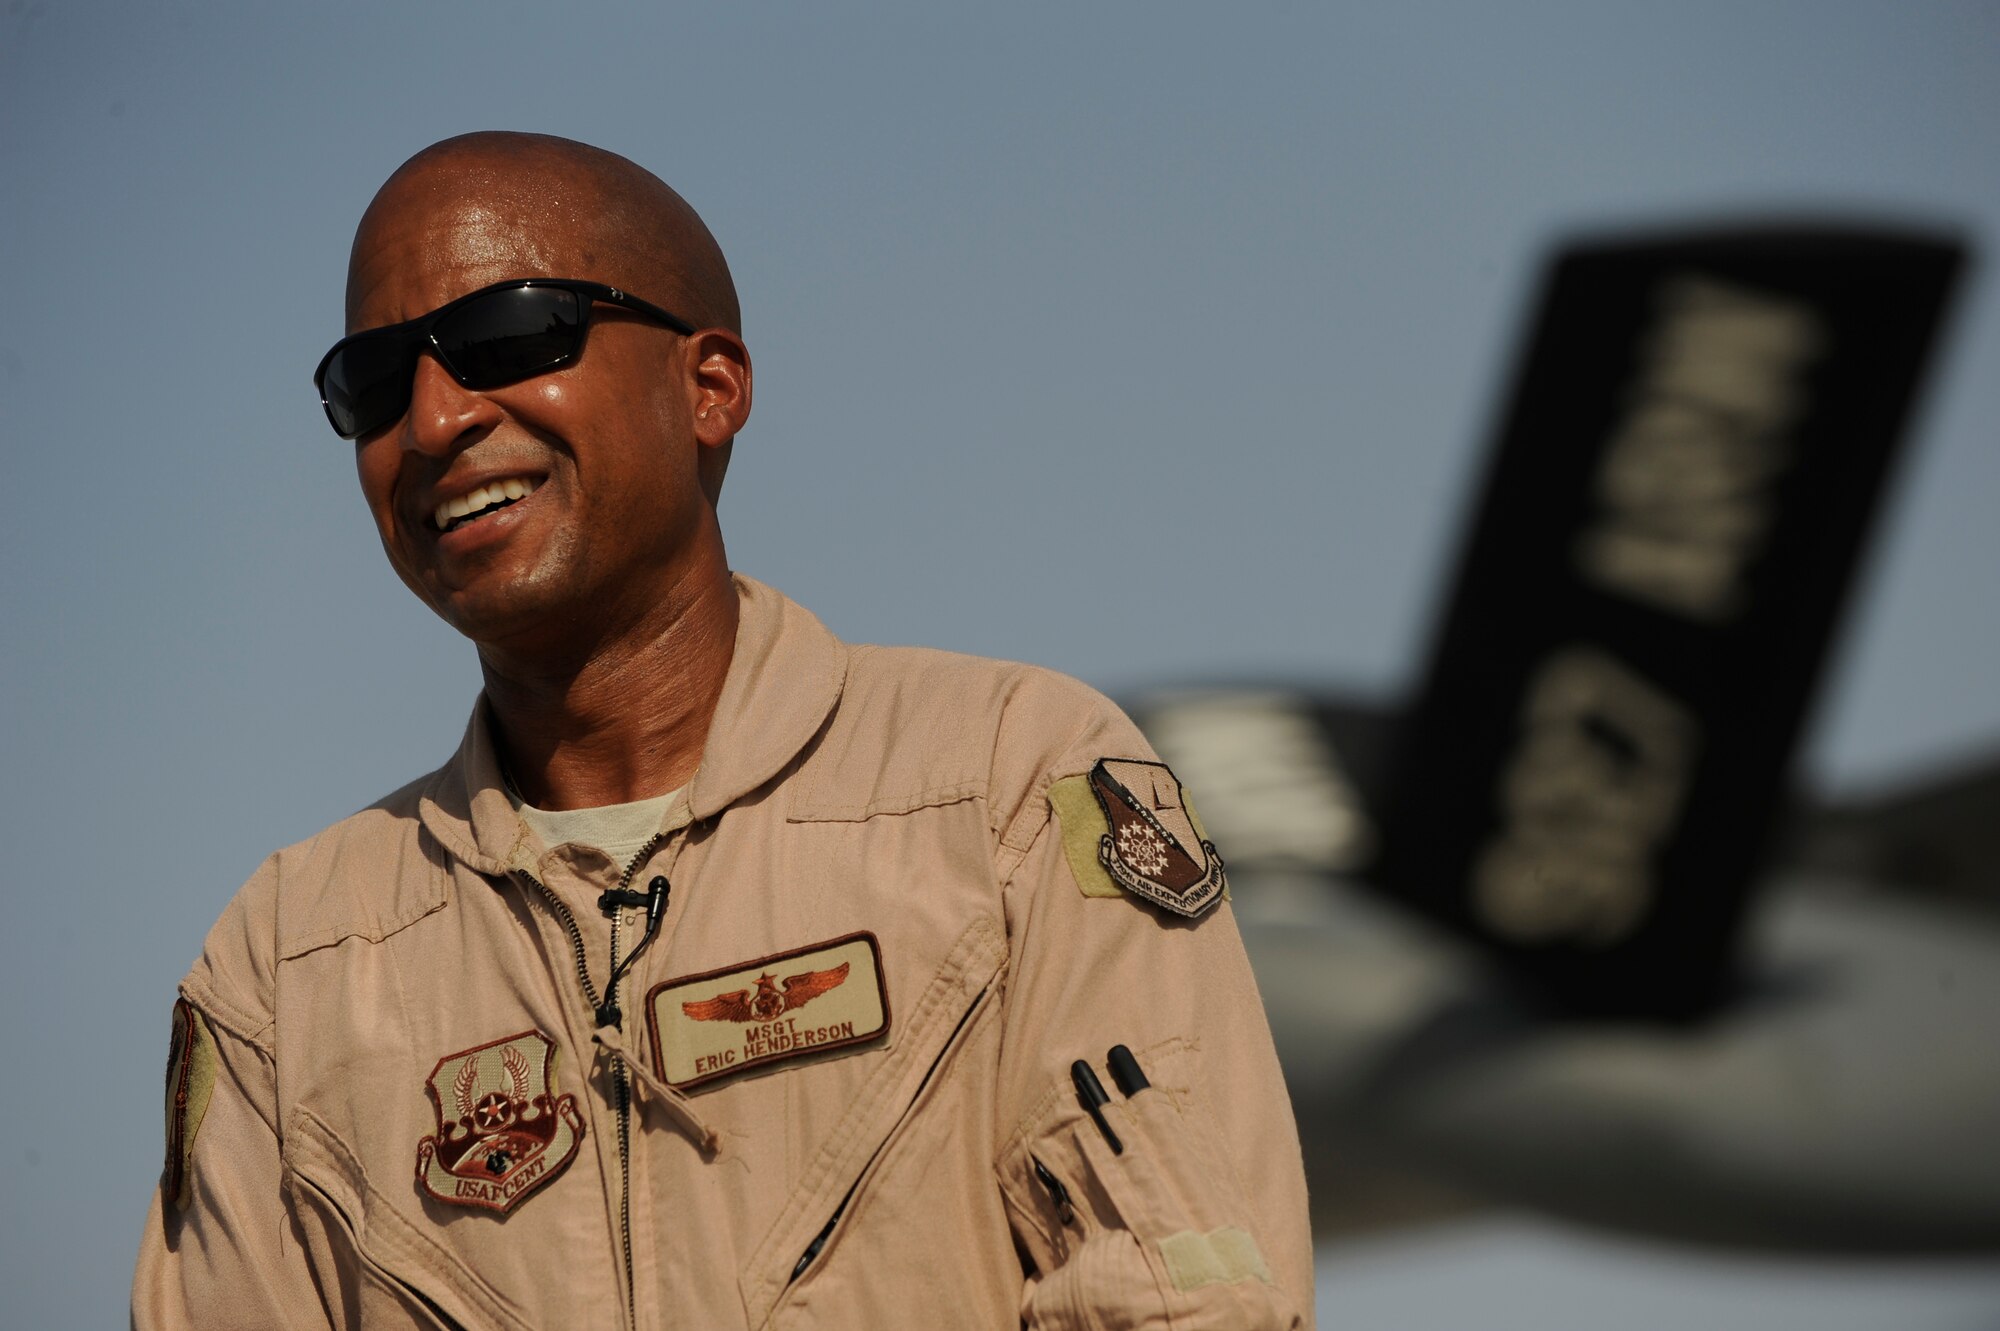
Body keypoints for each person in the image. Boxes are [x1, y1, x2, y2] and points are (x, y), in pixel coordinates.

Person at [133, 131, 1314, 1330]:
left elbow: (1188, 1302)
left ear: (711, 386)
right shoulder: (290, 966)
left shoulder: (1008, 785)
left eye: (509, 336)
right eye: (374, 383)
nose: (435, 418)